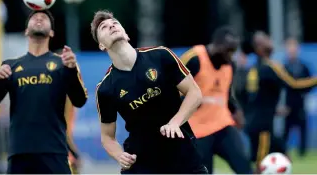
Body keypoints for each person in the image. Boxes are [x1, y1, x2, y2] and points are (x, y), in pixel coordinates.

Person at [91, 10, 208, 174]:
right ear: (102, 45)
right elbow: (107, 137)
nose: (111, 26)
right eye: (104, 27)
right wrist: (119, 156)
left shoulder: (161, 55)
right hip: (142, 163)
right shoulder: (105, 88)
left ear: (126, 34)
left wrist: (175, 122)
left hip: (182, 154)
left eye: (115, 23)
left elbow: (194, 93)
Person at [0, 10, 88, 174]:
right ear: (26, 31)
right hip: (20, 154)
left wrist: (72, 71)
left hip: (55, 153)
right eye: (34, 18)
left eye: (44, 18)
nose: (39, 18)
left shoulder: (62, 63)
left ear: (51, 32)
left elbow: (80, 100)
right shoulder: (11, 66)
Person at [180, 26, 252, 174]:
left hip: (222, 125)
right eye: (228, 50)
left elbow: (226, 95)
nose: (230, 56)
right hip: (197, 130)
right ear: (217, 46)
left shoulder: (230, 65)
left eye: (234, 51)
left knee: (244, 166)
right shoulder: (194, 58)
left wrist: (236, 111)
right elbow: (171, 87)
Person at [244, 31, 317, 171]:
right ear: (259, 47)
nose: (271, 42)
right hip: (262, 127)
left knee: (284, 158)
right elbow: (294, 84)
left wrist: (272, 109)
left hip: (256, 122)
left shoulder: (254, 68)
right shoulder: (271, 66)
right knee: (261, 167)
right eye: (267, 40)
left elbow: (253, 97)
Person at [283, 37, 314, 157]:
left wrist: (303, 91)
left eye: (294, 47)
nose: (292, 50)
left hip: (301, 103)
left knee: (303, 129)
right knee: (286, 130)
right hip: (288, 104)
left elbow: (309, 84)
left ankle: (302, 153)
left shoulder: (303, 67)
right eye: (289, 47)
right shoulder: (283, 67)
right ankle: (284, 151)